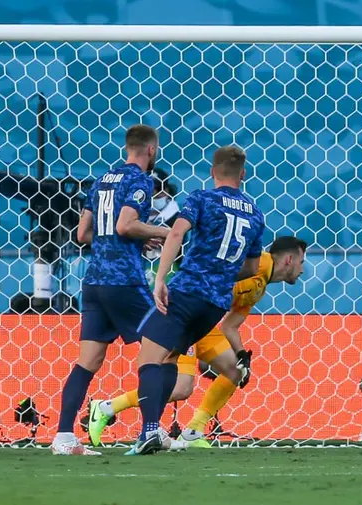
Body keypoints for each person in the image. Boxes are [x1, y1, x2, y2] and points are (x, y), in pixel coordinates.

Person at [87, 236, 307, 448]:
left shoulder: (260, 286)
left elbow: (230, 326)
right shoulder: (257, 263)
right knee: (181, 388)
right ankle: (107, 408)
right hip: (188, 316)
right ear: (289, 260)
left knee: (234, 371)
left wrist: (242, 355)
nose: (303, 268)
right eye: (301, 261)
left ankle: (194, 431)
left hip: (206, 325)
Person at [128, 145, 265, 455]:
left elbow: (176, 234)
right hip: (215, 304)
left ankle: (149, 431)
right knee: (171, 357)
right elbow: (252, 267)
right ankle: (154, 433)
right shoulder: (255, 212)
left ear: (212, 172)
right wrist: (222, 270)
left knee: (149, 358)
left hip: (188, 290)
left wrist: (161, 278)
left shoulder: (202, 198)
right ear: (243, 174)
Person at [50, 124, 169, 456]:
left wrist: (128, 239)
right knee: (161, 348)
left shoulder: (102, 180)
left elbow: (83, 233)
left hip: (94, 282)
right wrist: (164, 232)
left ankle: (63, 437)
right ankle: (150, 430)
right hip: (125, 281)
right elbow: (124, 225)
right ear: (150, 150)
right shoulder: (141, 181)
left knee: (88, 360)